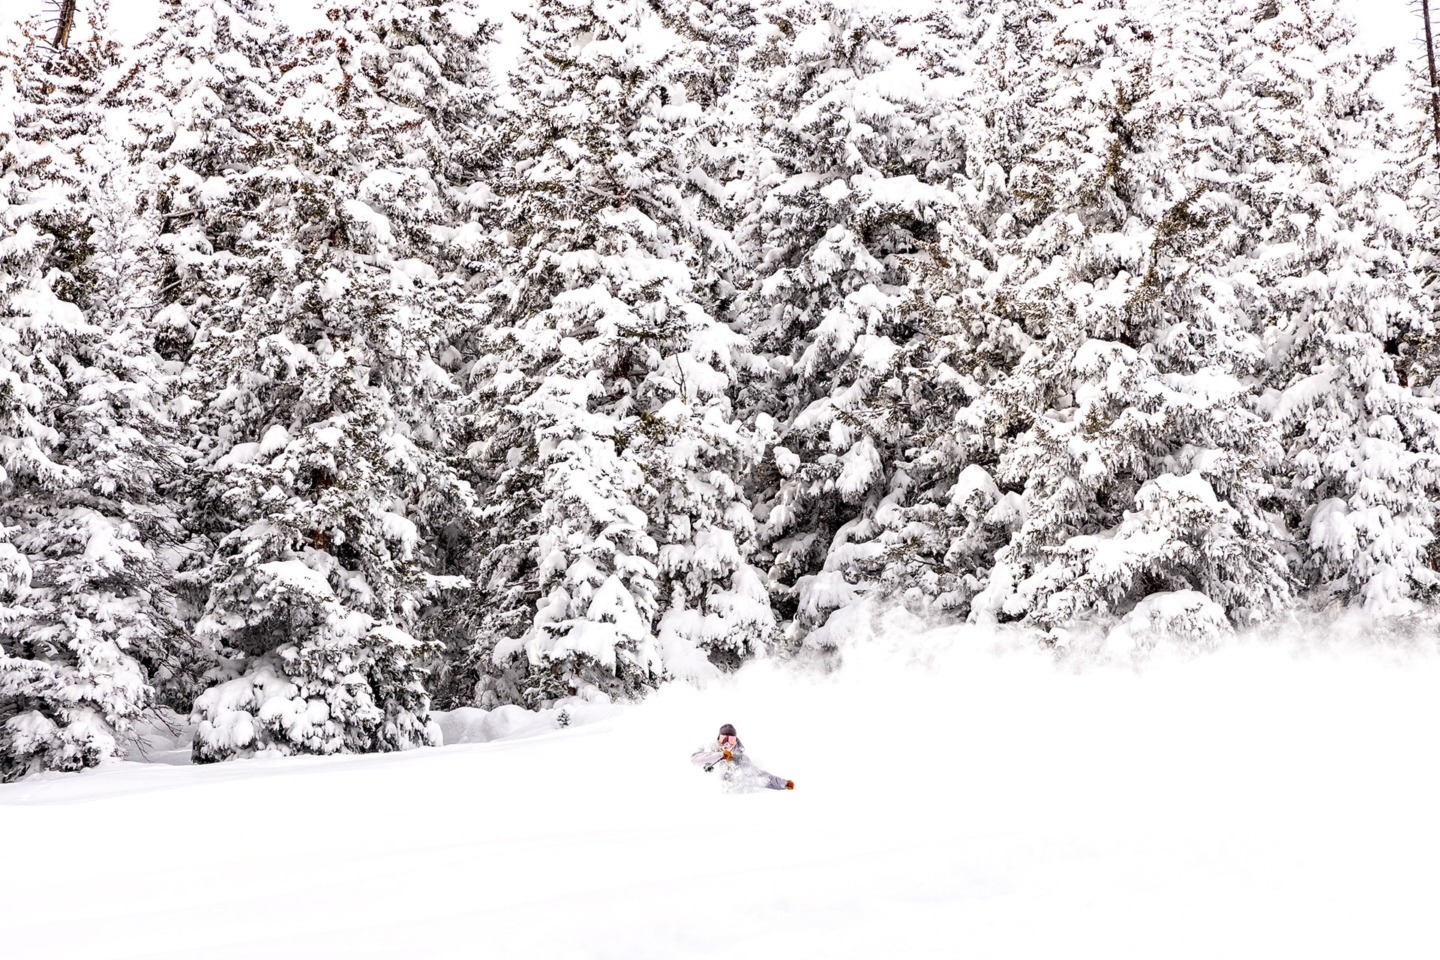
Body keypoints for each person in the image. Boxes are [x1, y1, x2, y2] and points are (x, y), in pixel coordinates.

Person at [691, 723, 793, 791]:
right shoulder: (710, 747)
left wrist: (781, 783)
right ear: (718, 739)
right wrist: (720, 754)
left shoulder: (740, 758)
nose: (727, 743)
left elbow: (758, 775)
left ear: (736, 741)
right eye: (724, 739)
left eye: (731, 739)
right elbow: (694, 759)